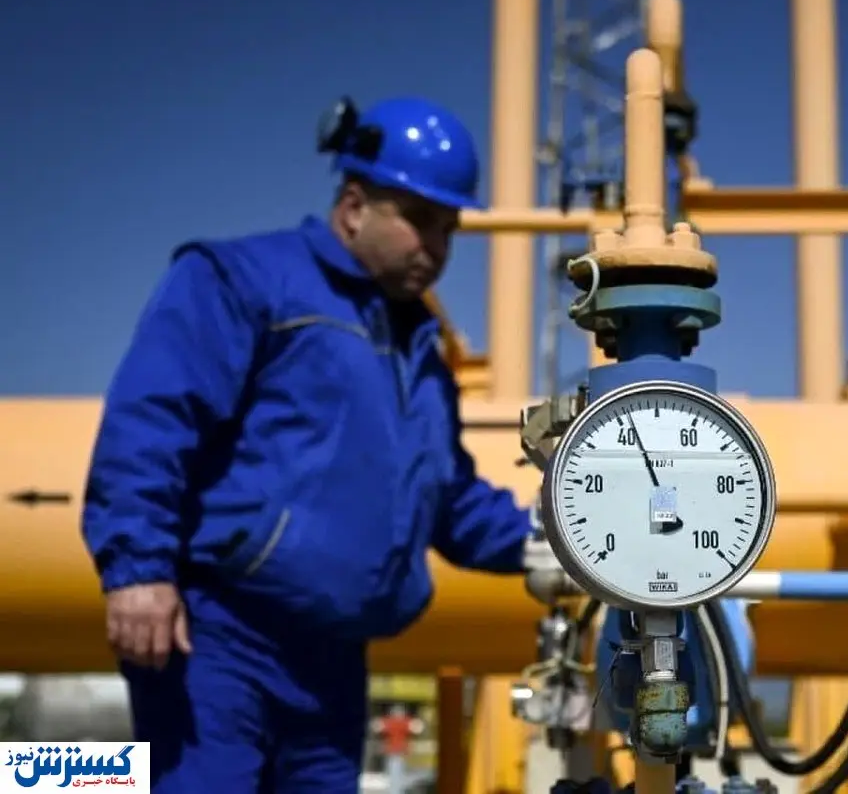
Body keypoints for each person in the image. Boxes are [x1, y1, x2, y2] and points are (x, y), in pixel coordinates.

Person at [80, 96, 535, 793]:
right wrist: (139, 570)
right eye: (418, 220)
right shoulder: (245, 281)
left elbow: (448, 500)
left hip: (335, 661)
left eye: (449, 228)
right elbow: (153, 421)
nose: (437, 248)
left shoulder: (419, 355)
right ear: (353, 206)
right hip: (220, 637)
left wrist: (563, 541)